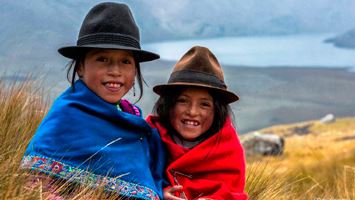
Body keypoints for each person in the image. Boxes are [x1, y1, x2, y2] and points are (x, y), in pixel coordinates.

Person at [21, 2, 165, 199]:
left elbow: (144, 180)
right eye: (102, 59)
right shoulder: (66, 117)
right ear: (80, 67)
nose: (115, 71)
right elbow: (36, 186)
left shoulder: (133, 121)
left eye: (125, 61)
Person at [146, 46, 248, 200]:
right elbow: (135, 179)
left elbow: (233, 193)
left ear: (217, 111)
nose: (193, 112)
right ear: (168, 105)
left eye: (204, 104)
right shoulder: (148, 136)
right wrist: (158, 195)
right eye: (183, 101)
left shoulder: (228, 148)